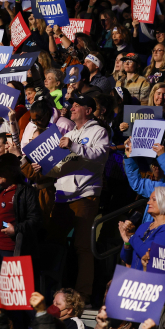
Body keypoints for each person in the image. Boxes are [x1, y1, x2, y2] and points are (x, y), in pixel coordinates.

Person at [43, 95, 110, 304]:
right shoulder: (69, 133)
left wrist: (73, 146)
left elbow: (100, 156)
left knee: (82, 246)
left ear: (88, 110)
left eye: (76, 105)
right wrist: (42, 167)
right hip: (62, 196)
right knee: (53, 243)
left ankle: (83, 294)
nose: (71, 108)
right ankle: (51, 289)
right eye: (71, 104)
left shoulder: (99, 131)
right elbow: (58, 168)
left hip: (85, 194)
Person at [118, 186, 165, 268]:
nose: (148, 203)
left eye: (153, 200)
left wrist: (132, 236)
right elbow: (126, 259)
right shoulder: (145, 225)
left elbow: (150, 258)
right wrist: (127, 242)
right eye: (149, 199)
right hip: (134, 278)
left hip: (150, 279)